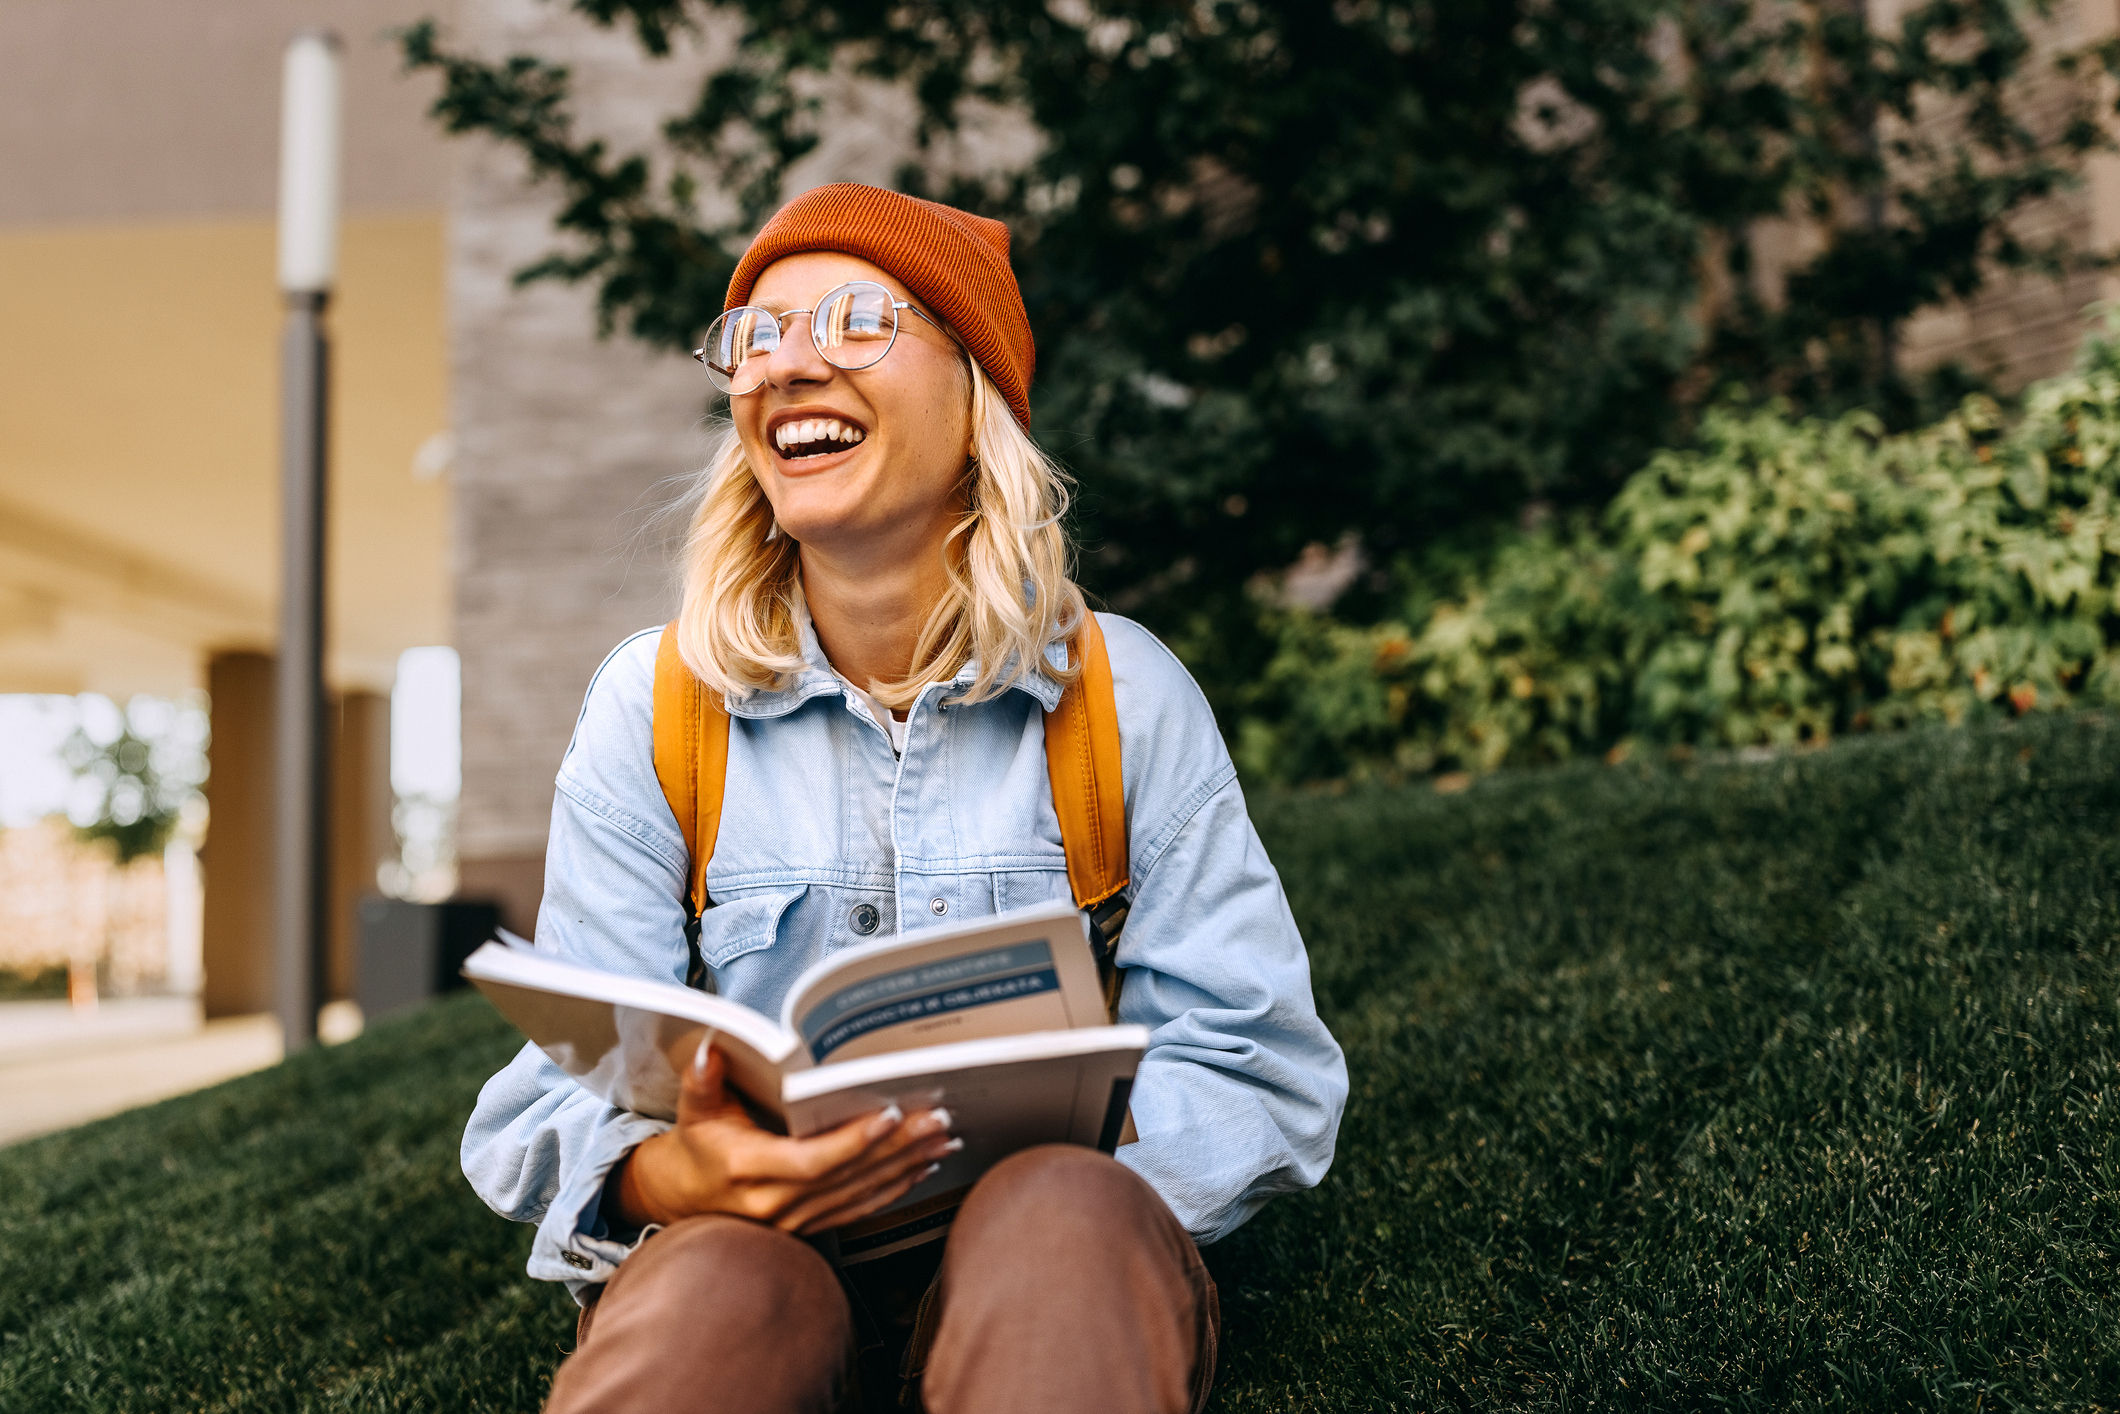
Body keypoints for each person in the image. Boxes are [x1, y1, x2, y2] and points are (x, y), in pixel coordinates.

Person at [461, 182, 1348, 1414]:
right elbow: (551, 1099)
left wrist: (1059, 1147)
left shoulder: (1119, 696)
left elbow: (1257, 1066)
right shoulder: (652, 707)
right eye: (756, 338)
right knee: (719, 1287)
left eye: (855, 321)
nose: (786, 367)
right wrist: (674, 1180)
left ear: (974, 382)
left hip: (1049, 1258)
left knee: (1058, 1219)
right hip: (759, 1253)